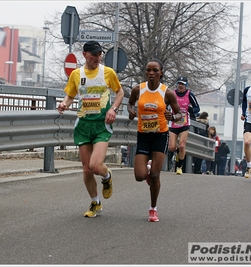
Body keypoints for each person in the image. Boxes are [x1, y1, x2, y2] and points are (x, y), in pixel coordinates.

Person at [57, 41, 124, 218]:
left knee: (95, 165)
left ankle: (106, 176)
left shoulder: (107, 73)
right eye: (94, 55)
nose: (98, 58)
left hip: (101, 124)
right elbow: (70, 95)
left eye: (100, 54)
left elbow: (120, 92)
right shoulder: (76, 74)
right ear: (85, 54)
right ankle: (95, 203)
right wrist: (64, 103)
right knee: (87, 169)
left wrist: (113, 109)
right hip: (84, 124)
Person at [127, 59, 182, 222]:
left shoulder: (167, 93)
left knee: (156, 175)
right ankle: (148, 168)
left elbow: (179, 115)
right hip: (143, 135)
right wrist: (131, 112)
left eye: (155, 70)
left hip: (160, 135)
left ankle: (153, 209)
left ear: (161, 73)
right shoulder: (138, 89)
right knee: (139, 175)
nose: (151, 73)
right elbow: (130, 104)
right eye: (148, 70)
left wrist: (172, 116)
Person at [168, 76, 200, 175]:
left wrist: (191, 110)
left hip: (185, 123)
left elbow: (197, 108)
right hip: (173, 123)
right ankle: (178, 153)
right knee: (172, 147)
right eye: (179, 84)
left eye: (182, 84)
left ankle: (179, 166)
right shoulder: (171, 94)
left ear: (186, 85)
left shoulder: (189, 94)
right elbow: (164, 104)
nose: (180, 86)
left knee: (182, 145)